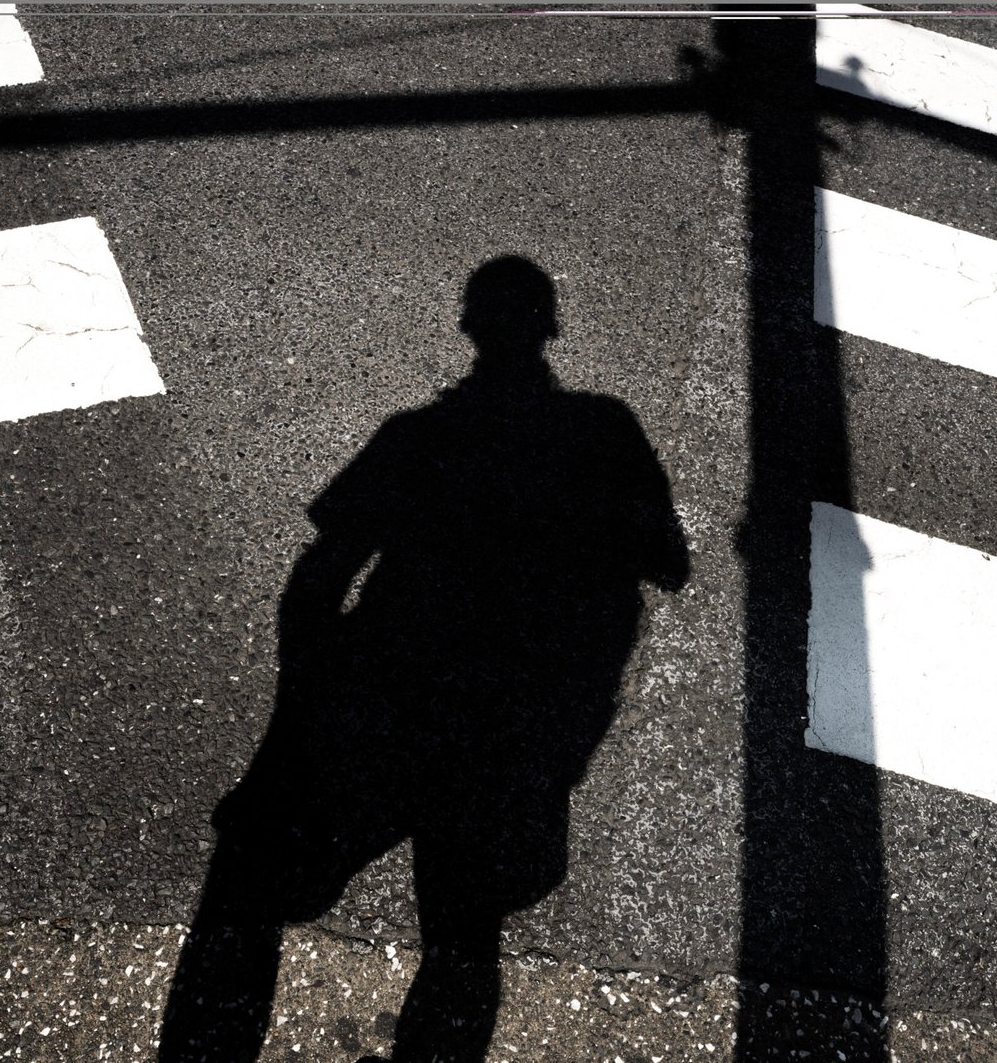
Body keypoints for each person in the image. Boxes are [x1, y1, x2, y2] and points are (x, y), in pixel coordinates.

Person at [158, 256, 689, 1063]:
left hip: (388, 704)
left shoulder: (417, 440)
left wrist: (297, 714)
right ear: (551, 327)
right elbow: (670, 562)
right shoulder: (603, 430)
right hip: (513, 729)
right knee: (461, 934)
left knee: (254, 876)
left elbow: (316, 580)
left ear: (468, 327)